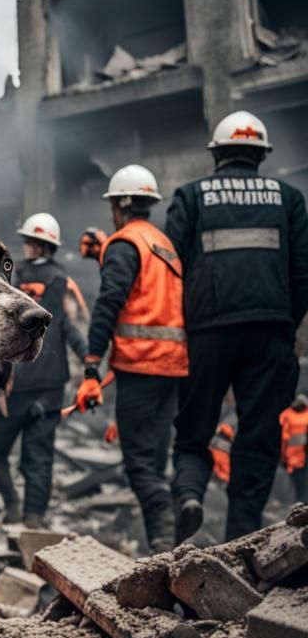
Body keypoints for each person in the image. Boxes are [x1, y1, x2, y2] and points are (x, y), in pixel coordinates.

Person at [168, 110, 308, 542]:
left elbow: (172, 269)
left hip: (208, 332)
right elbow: (303, 272)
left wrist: (186, 330)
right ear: (261, 154)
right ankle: (241, 540)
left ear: (217, 154)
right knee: (259, 438)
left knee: (194, 430)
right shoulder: (288, 198)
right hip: (270, 332)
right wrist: (285, 325)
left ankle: (190, 494)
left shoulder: (191, 196)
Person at [75, 165, 187, 554]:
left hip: (140, 368)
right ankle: (173, 538)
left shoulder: (124, 244)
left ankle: (162, 543)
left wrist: (91, 365)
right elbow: (147, 296)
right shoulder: (164, 244)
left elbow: (111, 301)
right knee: (155, 458)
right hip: (172, 368)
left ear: (120, 205)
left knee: (139, 464)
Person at [0, 213, 86, 527]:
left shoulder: (8, 276)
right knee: (35, 456)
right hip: (41, 384)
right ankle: (27, 514)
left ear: (45, 245)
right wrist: (90, 361)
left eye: (32, 242)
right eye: (27, 240)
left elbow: (0, 331)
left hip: (19, 383)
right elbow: (71, 327)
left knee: (5, 454)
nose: (27, 246)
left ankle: (26, 516)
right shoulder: (62, 279)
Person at [280, 395, 308, 503]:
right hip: (295, 459)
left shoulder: (287, 415)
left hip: (296, 459)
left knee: (299, 485)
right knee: (298, 485)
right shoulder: (288, 416)